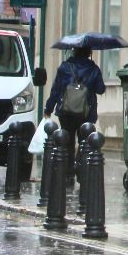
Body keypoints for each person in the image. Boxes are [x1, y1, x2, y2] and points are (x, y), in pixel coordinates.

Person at [43, 46, 106, 184]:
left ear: (74, 52)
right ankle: (80, 169)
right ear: (89, 52)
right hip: (86, 113)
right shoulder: (94, 69)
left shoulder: (65, 67)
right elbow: (101, 89)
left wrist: (48, 107)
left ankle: (68, 174)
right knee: (85, 143)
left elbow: (56, 90)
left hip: (66, 112)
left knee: (67, 141)